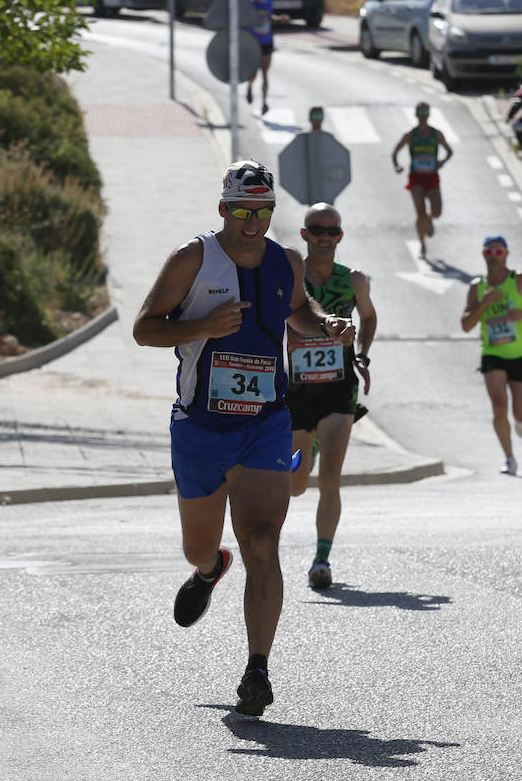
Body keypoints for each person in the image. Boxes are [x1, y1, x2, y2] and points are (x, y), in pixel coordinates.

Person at [132, 159, 355, 717]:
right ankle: (209, 570)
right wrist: (200, 328)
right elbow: (144, 328)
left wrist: (326, 324)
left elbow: (297, 311)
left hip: (265, 423)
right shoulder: (193, 258)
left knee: (264, 540)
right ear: (223, 208)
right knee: (199, 546)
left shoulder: (287, 261)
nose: (252, 221)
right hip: (202, 426)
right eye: (241, 211)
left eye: (262, 211)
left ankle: (258, 668)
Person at [286, 203, 377, 590]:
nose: (325, 236)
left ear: (340, 236)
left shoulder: (353, 280)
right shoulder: (292, 278)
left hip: (340, 387)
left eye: (332, 231)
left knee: (330, 480)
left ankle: (322, 559)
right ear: (304, 234)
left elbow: (368, 316)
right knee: (295, 485)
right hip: (298, 390)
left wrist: (362, 353)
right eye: (316, 229)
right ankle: (311, 445)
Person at [460, 236, 522, 476]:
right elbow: (466, 325)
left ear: (506, 254)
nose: (494, 257)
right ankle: (509, 458)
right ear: (483, 255)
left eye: (498, 252)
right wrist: (484, 303)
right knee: (499, 407)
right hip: (492, 354)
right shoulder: (477, 286)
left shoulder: (519, 281)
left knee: (520, 413)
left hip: (520, 354)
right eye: (489, 253)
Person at [391, 102, 454, 257]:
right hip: (416, 177)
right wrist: (397, 166)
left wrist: (442, 162)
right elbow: (395, 152)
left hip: (432, 176)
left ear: (429, 114)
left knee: (437, 211)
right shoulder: (410, 135)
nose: (423, 114)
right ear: (416, 114)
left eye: (426, 111)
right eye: (420, 111)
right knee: (419, 213)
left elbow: (449, 151)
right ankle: (422, 245)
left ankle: (429, 218)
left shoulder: (436, 134)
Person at [245, 0, 287, 116]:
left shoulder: (268, 3)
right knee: (253, 74)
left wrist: (280, 19)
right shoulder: (248, 4)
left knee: (265, 74)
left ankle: (264, 102)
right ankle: (250, 87)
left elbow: (270, 18)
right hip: (252, 43)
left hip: (266, 42)